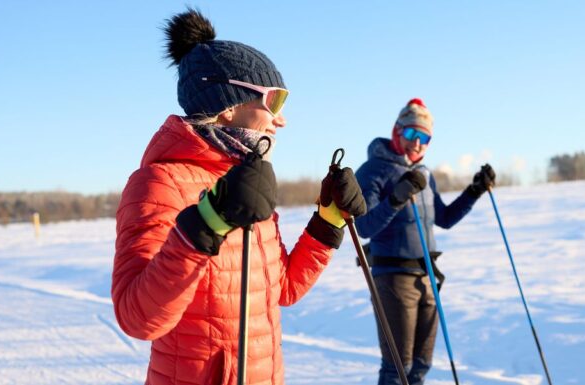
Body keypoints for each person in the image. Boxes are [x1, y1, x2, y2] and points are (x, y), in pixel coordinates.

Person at [111, 9, 365, 385]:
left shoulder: (246, 181)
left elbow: (283, 289)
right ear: (228, 107)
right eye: (273, 101)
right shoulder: (159, 183)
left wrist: (328, 222)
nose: (282, 119)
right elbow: (137, 318)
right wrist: (208, 221)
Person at [354, 98, 495, 385]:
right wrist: (396, 199)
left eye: (424, 137)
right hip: (393, 278)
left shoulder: (424, 175)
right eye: (410, 133)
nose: (417, 143)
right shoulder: (372, 171)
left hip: (427, 277)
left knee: (420, 365)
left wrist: (474, 191)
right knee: (398, 368)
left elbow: (444, 218)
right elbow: (365, 226)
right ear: (397, 131)